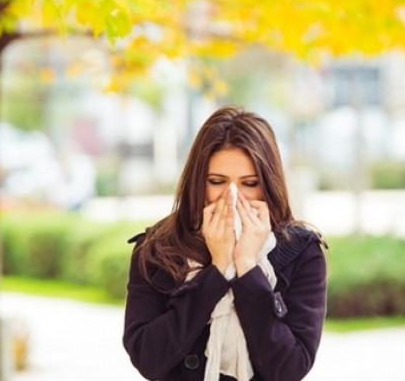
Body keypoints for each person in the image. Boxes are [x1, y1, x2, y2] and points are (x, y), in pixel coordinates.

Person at [123, 106, 327, 381]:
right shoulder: (157, 249)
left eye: (250, 183)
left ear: (268, 183)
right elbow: (148, 358)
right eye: (217, 181)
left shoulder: (300, 252)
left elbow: (290, 368)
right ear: (198, 182)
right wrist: (216, 271)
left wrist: (246, 267)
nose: (232, 196)